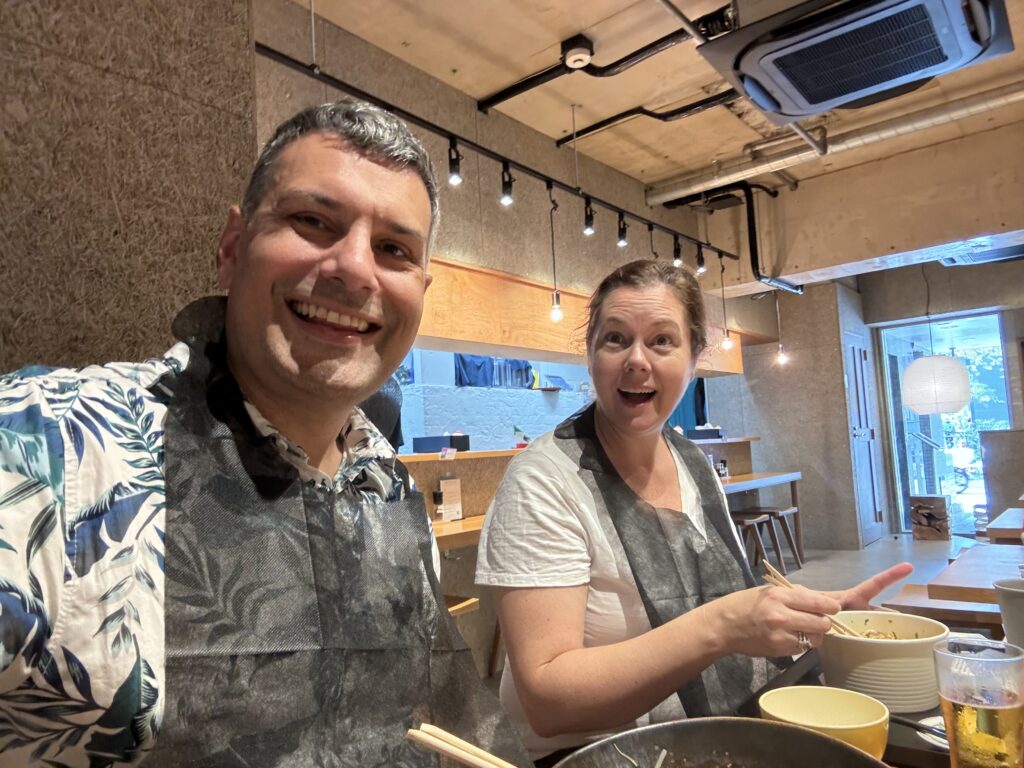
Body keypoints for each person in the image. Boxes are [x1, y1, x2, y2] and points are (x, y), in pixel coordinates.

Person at [0, 100, 528, 767]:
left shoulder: (383, 481)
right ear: (232, 247)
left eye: (393, 249)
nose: (355, 268)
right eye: (312, 221)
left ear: (422, 289)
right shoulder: (51, 445)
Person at [475, 259, 912, 765]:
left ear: (694, 356)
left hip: (710, 737)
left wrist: (812, 617)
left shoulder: (690, 461)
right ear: (591, 354)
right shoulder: (543, 481)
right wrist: (721, 626)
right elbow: (547, 701)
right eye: (615, 339)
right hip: (590, 753)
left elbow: (729, 598)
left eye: (662, 341)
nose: (637, 360)